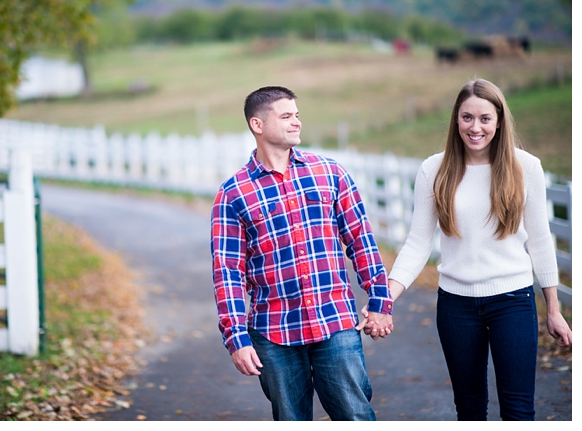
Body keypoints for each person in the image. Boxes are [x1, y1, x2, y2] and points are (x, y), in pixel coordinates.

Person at [386, 78, 572, 421]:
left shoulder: (525, 167)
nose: (475, 127)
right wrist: (387, 299)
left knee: (518, 411)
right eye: (467, 117)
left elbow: (541, 239)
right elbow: (417, 243)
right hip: (456, 306)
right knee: (469, 411)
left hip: (512, 302)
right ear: (456, 119)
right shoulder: (434, 169)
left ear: (499, 121)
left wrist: (554, 309)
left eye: (485, 118)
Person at [210, 85, 394, 421]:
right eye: (286, 116)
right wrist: (235, 337)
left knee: (355, 415)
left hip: (334, 321)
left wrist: (380, 301)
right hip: (273, 332)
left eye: (296, 115)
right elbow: (228, 273)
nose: (296, 122)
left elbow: (361, 240)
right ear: (258, 125)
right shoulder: (233, 194)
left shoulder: (330, 173)